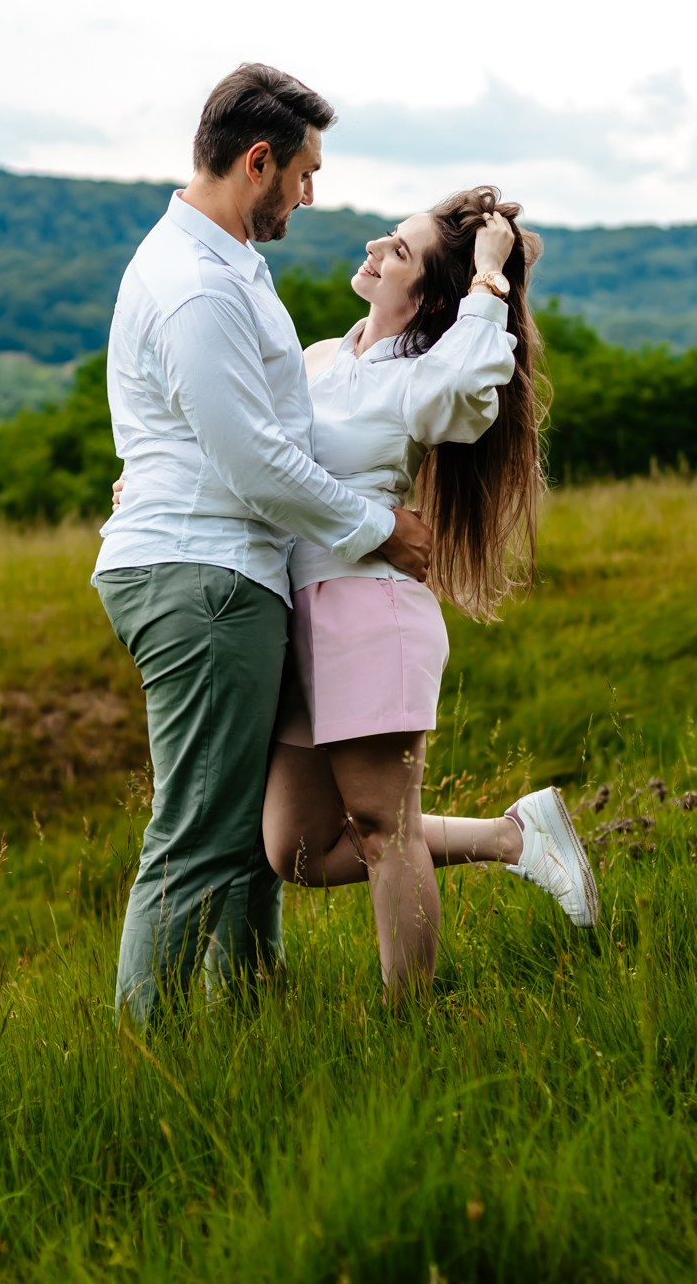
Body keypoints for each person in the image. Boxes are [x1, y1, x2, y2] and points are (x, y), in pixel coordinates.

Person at [92, 63, 434, 1024]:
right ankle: (147, 1055)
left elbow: (236, 430)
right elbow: (254, 462)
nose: (312, 194)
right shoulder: (197, 285)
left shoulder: (221, 265)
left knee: (244, 835)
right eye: (306, 172)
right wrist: (381, 527)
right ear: (258, 162)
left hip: (226, 569)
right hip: (205, 580)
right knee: (199, 834)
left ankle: (251, 1030)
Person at [258, 185, 598, 994]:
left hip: (369, 614)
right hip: (295, 616)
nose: (375, 248)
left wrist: (489, 277)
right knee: (297, 847)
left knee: (385, 831)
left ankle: (406, 1029)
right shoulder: (321, 358)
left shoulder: (423, 378)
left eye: (399, 252)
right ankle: (515, 837)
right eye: (390, 237)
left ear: (425, 300)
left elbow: (474, 384)